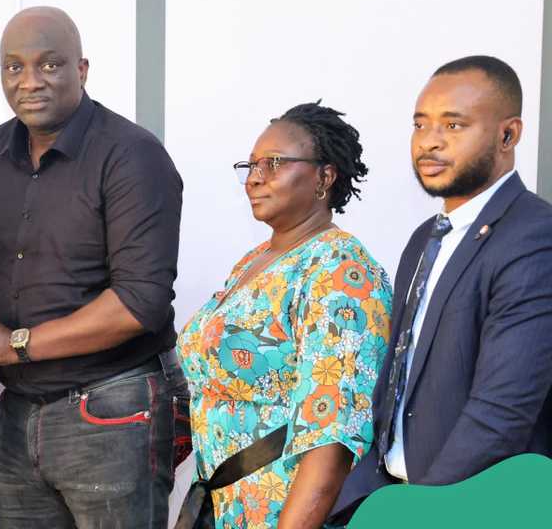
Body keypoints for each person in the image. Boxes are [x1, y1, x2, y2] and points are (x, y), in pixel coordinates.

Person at [0, 6, 189, 528]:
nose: (29, 81)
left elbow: (139, 303)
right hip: (18, 412)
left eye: (50, 65)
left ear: (81, 70)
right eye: (13, 67)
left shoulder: (132, 156)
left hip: (112, 408)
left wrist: (11, 345)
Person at [332, 55, 552, 522]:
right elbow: (396, 383)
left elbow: (502, 413)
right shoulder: (425, 238)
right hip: (396, 495)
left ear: (508, 135)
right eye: (420, 124)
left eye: (454, 125)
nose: (430, 142)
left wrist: (419, 512)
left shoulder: (536, 237)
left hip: (476, 507)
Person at [175, 102, 392, 529]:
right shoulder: (256, 261)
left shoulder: (340, 271)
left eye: (274, 163)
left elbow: (333, 435)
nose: (256, 177)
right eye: (251, 164)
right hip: (224, 504)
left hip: (283, 511)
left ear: (324, 178)